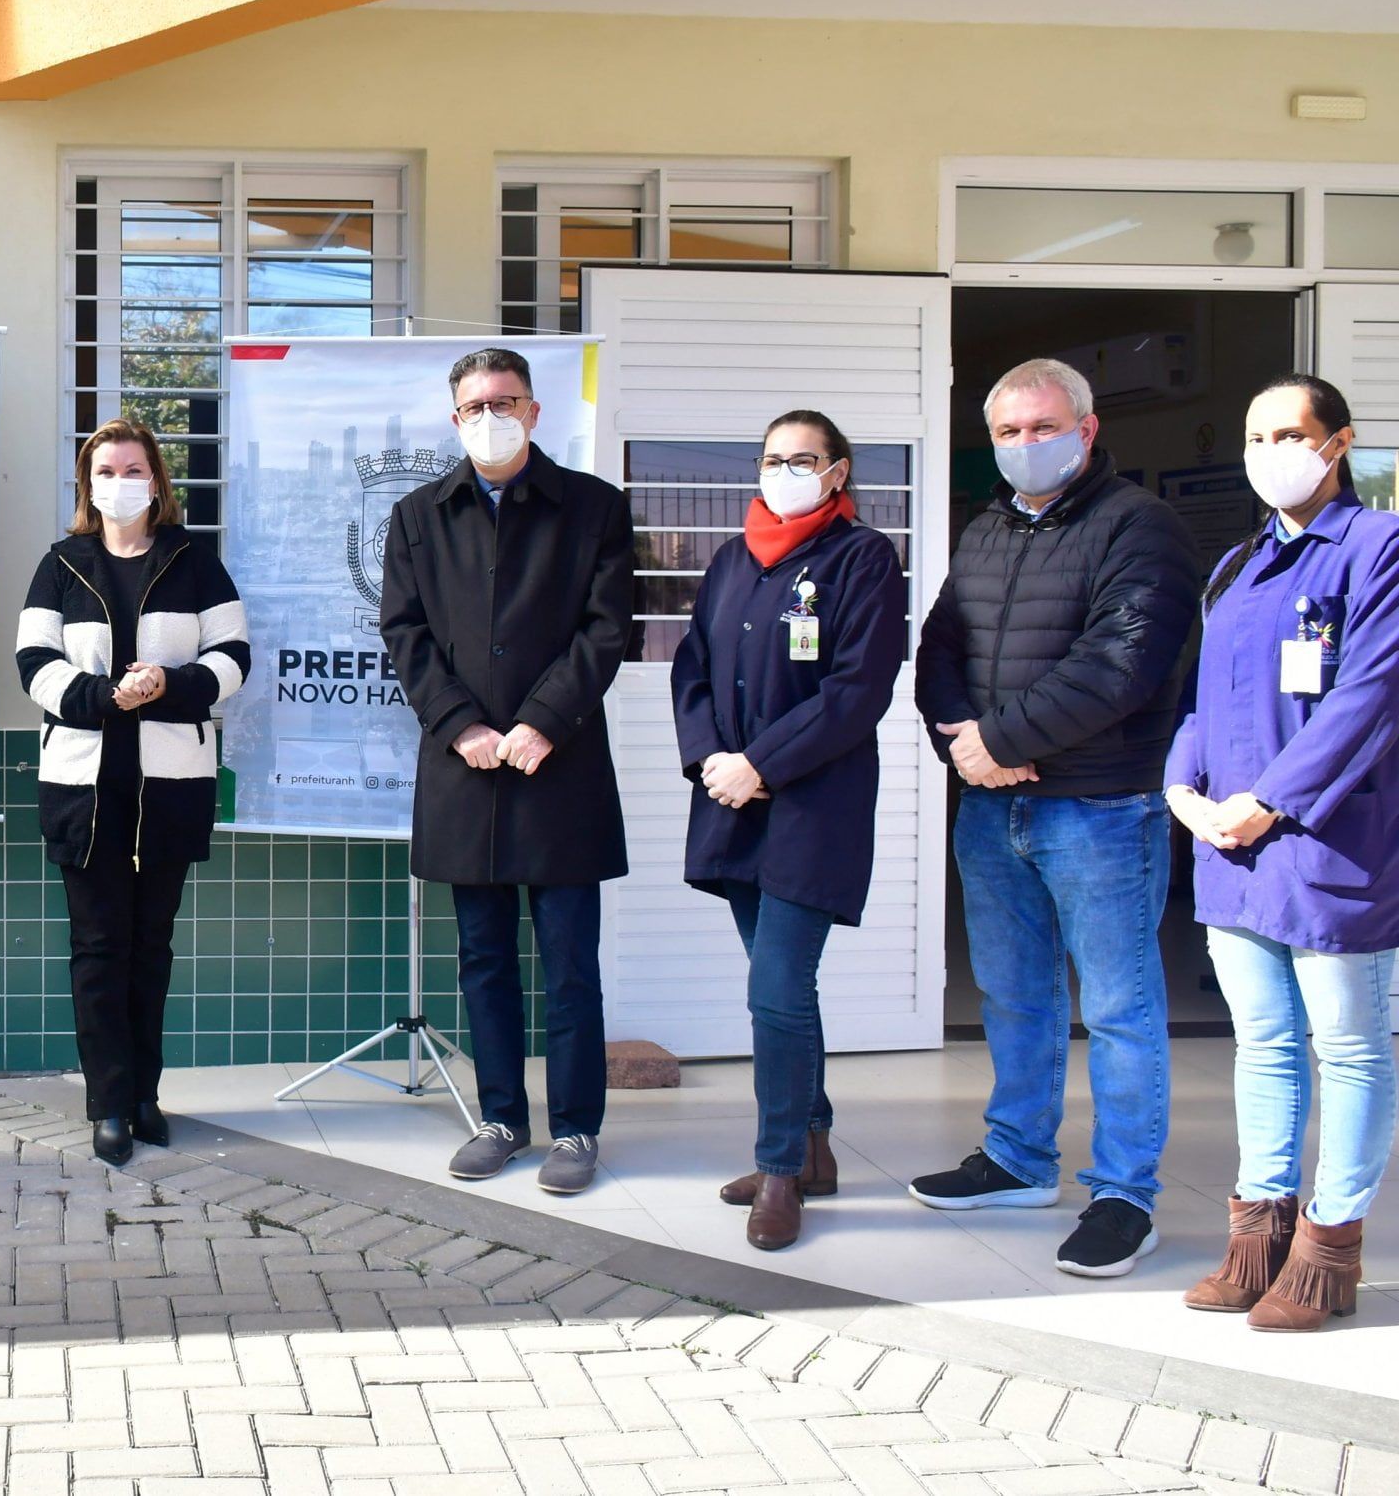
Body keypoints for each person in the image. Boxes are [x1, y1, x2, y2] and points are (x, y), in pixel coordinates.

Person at [913, 357, 1198, 1279]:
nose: (1026, 445)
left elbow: (1121, 663)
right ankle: (1018, 1159)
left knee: (1118, 1007)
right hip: (993, 807)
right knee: (1014, 994)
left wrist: (998, 738)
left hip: (1102, 809)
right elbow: (940, 647)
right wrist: (969, 747)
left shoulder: (1140, 526)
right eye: (1009, 432)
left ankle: (1124, 1196)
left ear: (1086, 426)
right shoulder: (987, 528)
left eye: (1043, 427)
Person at [1167, 375, 1399, 1332]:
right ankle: (1256, 1237)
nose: (1270, 453)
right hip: (1230, 847)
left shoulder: (1379, 548)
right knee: (1262, 1043)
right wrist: (1182, 790)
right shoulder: (1238, 563)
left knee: (1348, 1047)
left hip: (1327, 841)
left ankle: (1328, 1248)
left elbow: (1370, 696)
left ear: (1337, 443)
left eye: (1289, 435)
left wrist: (1270, 801)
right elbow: (1202, 699)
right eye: (1256, 437)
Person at [381, 348, 633, 1193]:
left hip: (560, 765)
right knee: (483, 959)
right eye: (475, 406)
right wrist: (461, 726)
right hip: (466, 769)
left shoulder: (593, 508)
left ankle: (577, 1129)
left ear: (533, 410)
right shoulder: (418, 515)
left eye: (506, 401)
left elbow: (606, 629)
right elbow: (405, 633)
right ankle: (500, 1119)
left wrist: (542, 721)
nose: (490, 417)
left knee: (570, 965)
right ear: (454, 419)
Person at [672, 410, 906, 1250]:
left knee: (775, 988)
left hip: (812, 806)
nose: (784, 472)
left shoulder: (864, 559)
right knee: (783, 992)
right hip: (733, 802)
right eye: (773, 459)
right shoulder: (733, 558)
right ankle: (813, 1148)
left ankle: (778, 1170)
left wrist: (760, 763)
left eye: (803, 459)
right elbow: (693, 666)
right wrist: (710, 758)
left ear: (838, 471)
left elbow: (857, 690)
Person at [17, 420, 250, 1166]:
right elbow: (33, 663)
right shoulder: (61, 565)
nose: (120, 482)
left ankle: (146, 1095)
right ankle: (109, 1103)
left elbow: (233, 657)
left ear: (157, 481)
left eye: (134, 469)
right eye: (106, 471)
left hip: (171, 789)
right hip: (84, 792)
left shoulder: (194, 562)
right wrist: (101, 696)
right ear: (88, 485)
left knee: (151, 946)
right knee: (98, 948)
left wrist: (169, 684)